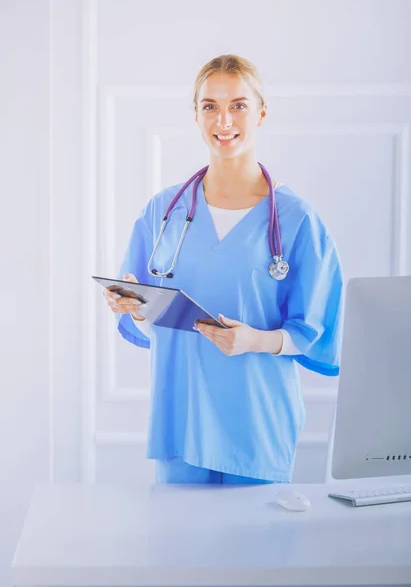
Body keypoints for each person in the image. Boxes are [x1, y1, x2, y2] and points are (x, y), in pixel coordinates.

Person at [103, 54, 344, 485]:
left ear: (261, 113)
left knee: (259, 549)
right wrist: (133, 307)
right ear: (195, 115)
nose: (223, 119)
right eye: (210, 106)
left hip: (255, 418)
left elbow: (316, 330)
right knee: (182, 549)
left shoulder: (296, 220)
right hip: (181, 415)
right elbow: (143, 320)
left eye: (238, 105)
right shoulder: (163, 211)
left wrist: (256, 340)